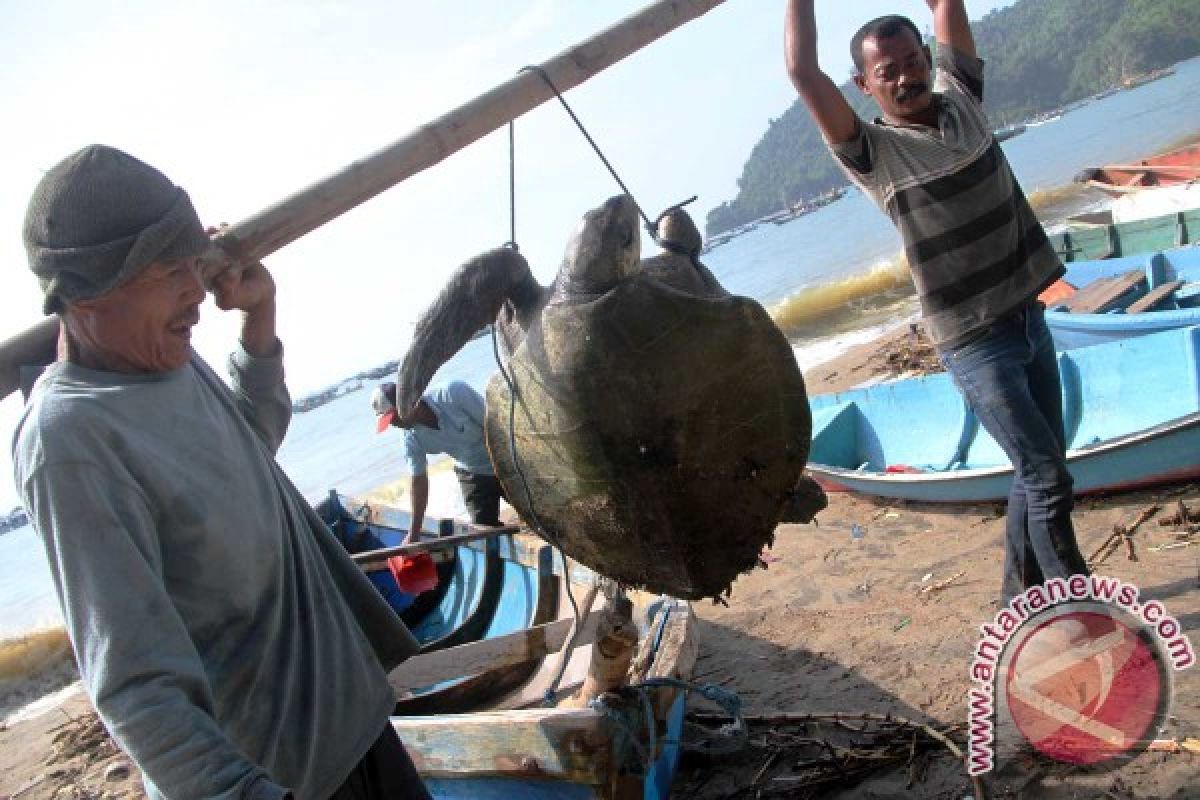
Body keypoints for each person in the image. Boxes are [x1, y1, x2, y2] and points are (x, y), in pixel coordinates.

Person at [13, 145, 431, 800]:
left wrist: (260, 321)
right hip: (283, 775)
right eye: (170, 269)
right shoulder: (71, 438)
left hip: (358, 725)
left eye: (194, 265)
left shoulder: (161, 352)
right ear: (92, 293)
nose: (196, 294)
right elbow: (134, 684)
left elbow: (245, 456)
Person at [784, 1, 1088, 602]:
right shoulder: (873, 153)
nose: (905, 77)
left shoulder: (963, 99)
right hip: (976, 341)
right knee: (1048, 474)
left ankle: (1017, 599)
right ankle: (1075, 601)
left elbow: (946, 4)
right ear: (864, 85)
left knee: (1041, 468)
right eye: (888, 71)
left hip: (1028, 316)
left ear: (928, 59)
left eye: (912, 61)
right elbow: (802, 71)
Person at [372, 380, 502, 541]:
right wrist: (414, 533)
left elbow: (498, 425)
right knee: (485, 534)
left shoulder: (454, 393)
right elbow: (419, 481)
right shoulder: (410, 439)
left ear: (407, 402)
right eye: (389, 422)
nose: (394, 424)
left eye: (393, 418)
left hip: (504, 456)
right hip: (472, 471)